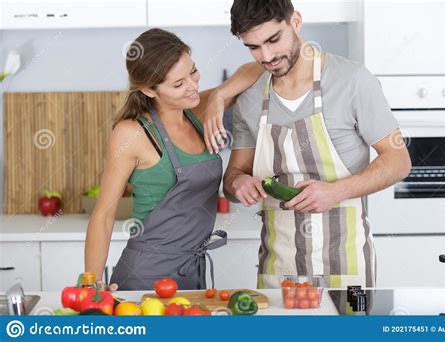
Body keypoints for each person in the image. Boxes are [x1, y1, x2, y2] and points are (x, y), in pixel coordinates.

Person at [204, 0, 412, 289]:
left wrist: (336, 191)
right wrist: (237, 184)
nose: (266, 56)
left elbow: (399, 161)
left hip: (347, 269)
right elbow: (234, 176)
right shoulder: (250, 98)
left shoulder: (352, 81)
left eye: (273, 40)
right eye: (253, 47)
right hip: (278, 272)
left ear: (296, 22)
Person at [84, 28, 264, 290]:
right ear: (148, 89)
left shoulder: (196, 109)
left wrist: (218, 96)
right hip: (144, 278)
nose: (192, 86)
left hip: (193, 273)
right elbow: (103, 214)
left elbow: (256, 69)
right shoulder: (132, 133)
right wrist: (92, 284)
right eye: (178, 84)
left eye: (192, 71)